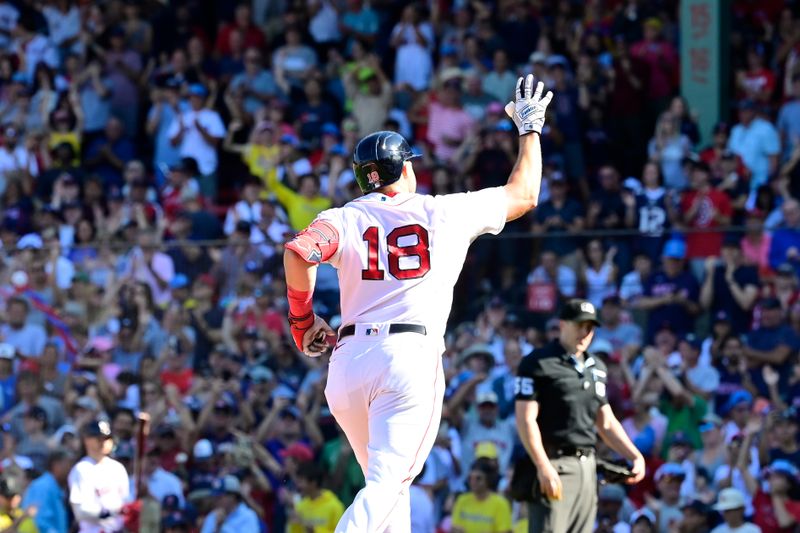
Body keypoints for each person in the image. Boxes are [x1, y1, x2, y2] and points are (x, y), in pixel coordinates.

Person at [282, 74, 553, 532]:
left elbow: (299, 252)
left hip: (347, 366)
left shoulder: (343, 217)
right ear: (405, 169)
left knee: (387, 489)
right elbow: (524, 195)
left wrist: (302, 320)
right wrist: (530, 129)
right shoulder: (441, 211)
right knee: (388, 484)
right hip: (406, 359)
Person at [514, 298, 645, 533]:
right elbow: (526, 419)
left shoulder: (597, 367)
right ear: (563, 324)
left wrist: (634, 455)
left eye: (590, 327)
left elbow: (605, 421)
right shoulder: (538, 363)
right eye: (579, 325)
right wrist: (543, 466)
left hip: (589, 468)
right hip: (556, 463)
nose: (585, 332)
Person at [68, 420, 130, 533]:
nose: (103, 442)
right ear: (87, 440)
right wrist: (109, 512)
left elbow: (127, 501)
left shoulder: (117, 468)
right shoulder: (81, 469)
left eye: (106, 438)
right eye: (98, 438)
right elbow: (80, 513)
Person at [22, 449, 72, 533]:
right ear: (56, 465)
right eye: (68, 464)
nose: (70, 469)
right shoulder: (43, 487)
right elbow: (39, 522)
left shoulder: (57, 486)